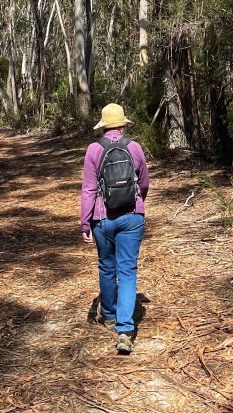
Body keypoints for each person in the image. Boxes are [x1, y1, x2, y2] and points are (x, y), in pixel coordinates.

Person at [80, 103, 149, 355]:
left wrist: (85, 222)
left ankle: (108, 314)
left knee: (107, 266)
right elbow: (144, 182)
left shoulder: (94, 149)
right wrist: (138, 202)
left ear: (104, 125)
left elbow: (88, 189)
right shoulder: (134, 147)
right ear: (123, 124)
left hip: (102, 218)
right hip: (132, 217)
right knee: (128, 271)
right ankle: (124, 329)